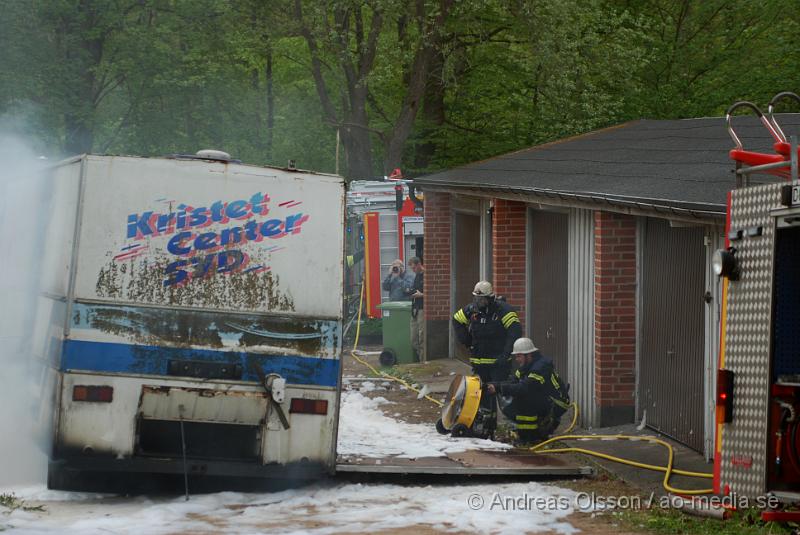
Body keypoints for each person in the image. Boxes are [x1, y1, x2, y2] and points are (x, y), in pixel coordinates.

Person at [452, 281, 521, 428]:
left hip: (498, 364)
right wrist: (466, 340)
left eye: (481, 299)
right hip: (479, 363)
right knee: (482, 396)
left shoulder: (504, 311)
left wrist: (506, 354)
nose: (478, 302)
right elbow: (456, 319)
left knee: (504, 396)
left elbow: (515, 332)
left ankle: (516, 426)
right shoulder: (472, 310)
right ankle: (488, 426)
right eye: (476, 298)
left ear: (490, 298)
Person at [487, 337, 570, 445]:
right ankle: (531, 432)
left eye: (519, 356)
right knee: (511, 406)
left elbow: (524, 388)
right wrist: (495, 385)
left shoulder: (540, 368)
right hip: (546, 400)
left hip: (557, 405)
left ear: (529, 355)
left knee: (523, 398)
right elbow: (513, 381)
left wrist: (499, 389)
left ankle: (530, 436)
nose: (517, 359)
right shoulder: (526, 366)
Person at [406, 257, 425, 361]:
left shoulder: (426, 275)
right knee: (413, 339)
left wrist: (421, 295)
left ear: (419, 265)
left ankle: (423, 360)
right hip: (415, 309)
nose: (413, 270)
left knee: (422, 337)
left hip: (422, 309)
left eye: (414, 268)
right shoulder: (417, 276)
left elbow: (433, 293)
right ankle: (420, 356)